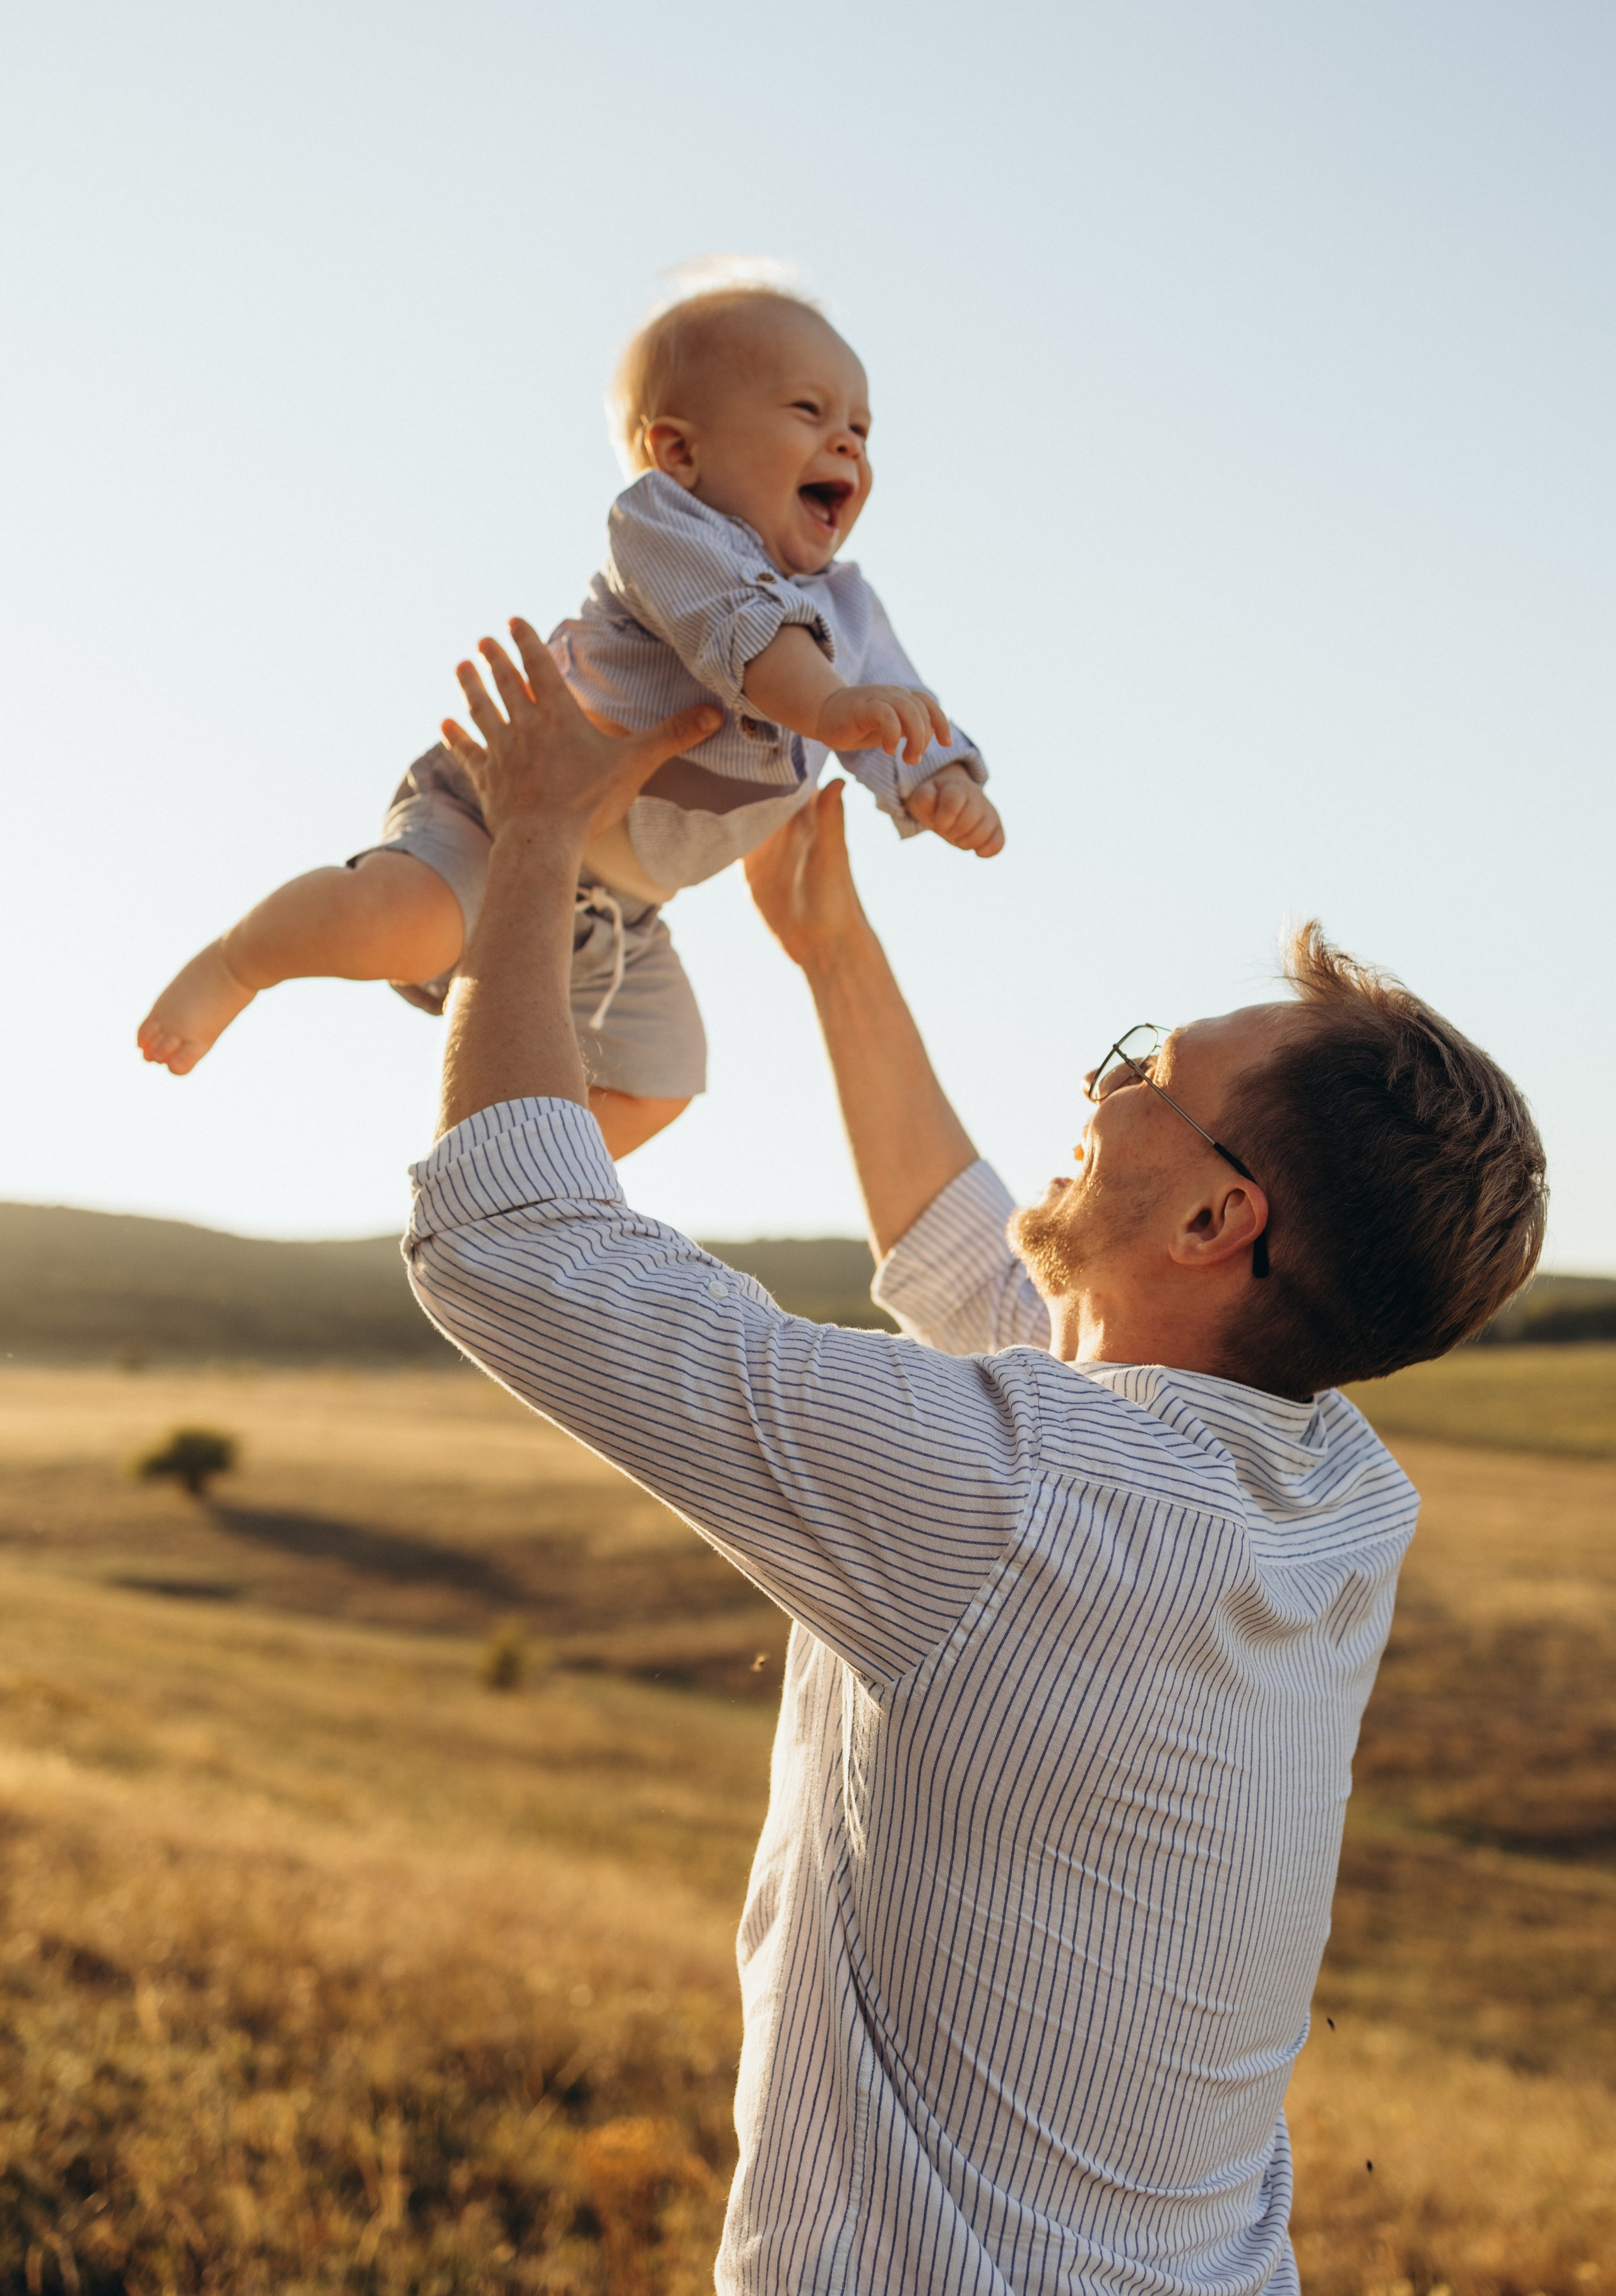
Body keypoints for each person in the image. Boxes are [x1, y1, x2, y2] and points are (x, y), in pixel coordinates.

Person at [403, 622, 1546, 2293]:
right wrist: (833, 949)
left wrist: (530, 843)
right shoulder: (1333, 1495)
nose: (1098, 1082)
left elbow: (510, 1240)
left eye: (1143, 1071)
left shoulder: (1028, 1498)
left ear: (1224, 1215)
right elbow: (1005, 1302)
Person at [135, 284, 1001, 1158]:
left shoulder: (851, 609)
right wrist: (830, 707)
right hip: (500, 821)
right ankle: (240, 961)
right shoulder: (665, 526)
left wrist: (940, 781)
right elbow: (747, 637)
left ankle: (514, 1171)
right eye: (809, 412)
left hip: (618, 910)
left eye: (861, 426)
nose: (847, 440)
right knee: (401, 922)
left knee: (663, 1075)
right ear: (677, 451)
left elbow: (899, 703)